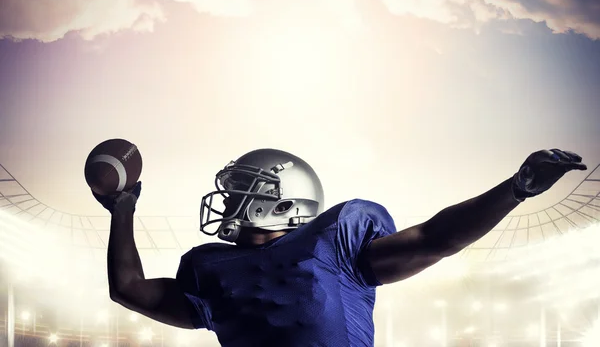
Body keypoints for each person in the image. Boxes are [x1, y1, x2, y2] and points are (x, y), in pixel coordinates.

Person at [94, 148, 586, 346]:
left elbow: (436, 238)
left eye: (245, 187)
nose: (228, 199)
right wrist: (122, 209)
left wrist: (514, 189)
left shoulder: (334, 239)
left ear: (285, 199)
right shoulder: (209, 266)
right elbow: (129, 289)